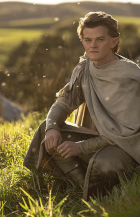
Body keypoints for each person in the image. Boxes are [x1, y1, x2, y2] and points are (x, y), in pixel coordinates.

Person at [23, 11, 140, 200]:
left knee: (105, 163)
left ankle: (101, 195)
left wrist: (82, 147)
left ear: (114, 41)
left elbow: (125, 134)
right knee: (47, 128)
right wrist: (52, 127)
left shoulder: (127, 77)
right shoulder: (85, 68)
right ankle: (80, 187)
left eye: (100, 39)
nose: (93, 45)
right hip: (100, 138)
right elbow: (65, 102)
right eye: (87, 40)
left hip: (127, 148)